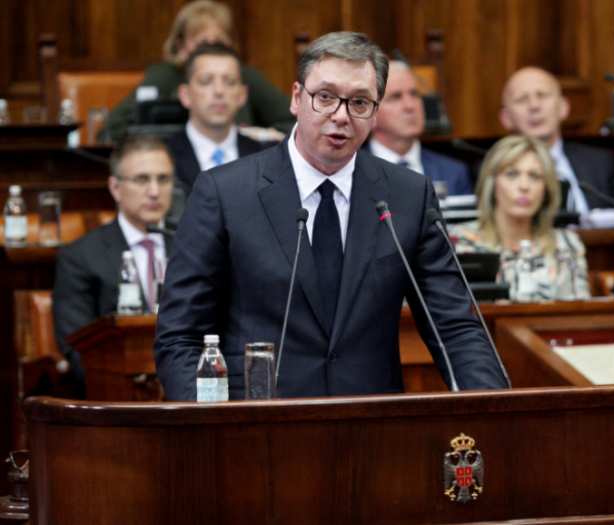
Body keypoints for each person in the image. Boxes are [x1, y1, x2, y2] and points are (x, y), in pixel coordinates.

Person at [154, 31, 508, 401]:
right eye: (325, 97)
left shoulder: (407, 196)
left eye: (359, 102)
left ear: (375, 113)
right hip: (259, 421)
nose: (341, 116)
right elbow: (179, 337)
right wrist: (214, 421)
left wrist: (493, 410)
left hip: (371, 421)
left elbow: (455, 329)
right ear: (297, 98)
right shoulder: (224, 193)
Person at [53, 134, 175, 396]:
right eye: (141, 179)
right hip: (118, 392)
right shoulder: (81, 256)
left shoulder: (191, 243)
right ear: (115, 187)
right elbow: (78, 346)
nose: (155, 191)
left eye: (163, 179)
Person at [101, 0, 295, 142]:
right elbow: (110, 131)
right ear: (181, 46)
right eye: (202, 43)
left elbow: (296, 121)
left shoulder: (246, 77)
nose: (211, 50)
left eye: (219, 42)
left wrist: (258, 136)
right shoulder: (163, 76)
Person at [448, 135, 590, 301]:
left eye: (534, 176)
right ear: (492, 183)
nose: (524, 186)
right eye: (512, 174)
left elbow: (582, 308)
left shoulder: (566, 244)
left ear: (546, 188)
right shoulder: (460, 241)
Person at [164, 43, 266, 225]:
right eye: (206, 81)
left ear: (242, 95)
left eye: (230, 82)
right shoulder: (164, 156)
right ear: (185, 95)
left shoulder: (262, 157)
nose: (219, 91)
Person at [499, 66, 614, 213]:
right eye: (522, 99)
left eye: (542, 95)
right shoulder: (495, 170)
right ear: (506, 118)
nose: (534, 106)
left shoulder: (600, 163)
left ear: (563, 107)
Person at [366, 61, 472, 196]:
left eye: (414, 94)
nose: (410, 106)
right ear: (370, 111)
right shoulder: (352, 169)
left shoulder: (453, 172)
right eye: (395, 97)